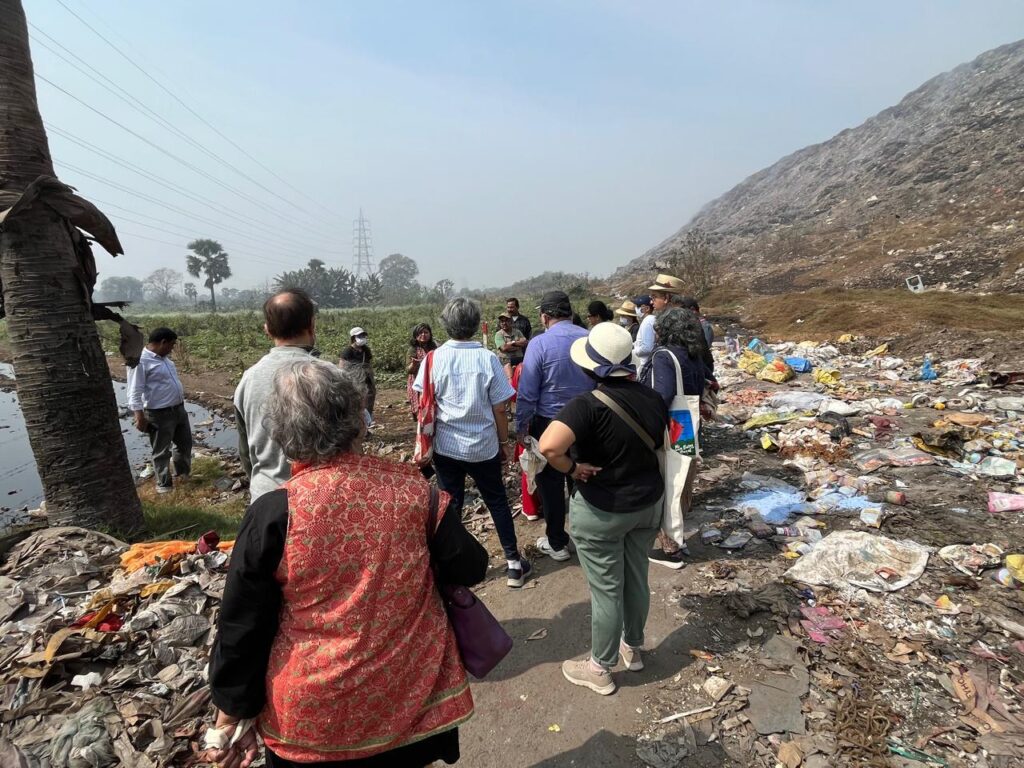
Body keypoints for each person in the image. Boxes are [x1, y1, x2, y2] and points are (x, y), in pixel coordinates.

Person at [205, 361, 488, 768]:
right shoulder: (414, 491)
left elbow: (243, 625)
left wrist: (230, 716)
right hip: (410, 699)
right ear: (357, 420)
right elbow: (472, 567)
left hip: (312, 721)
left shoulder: (275, 513)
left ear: (282, 433)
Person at [538, 322, 667, 696]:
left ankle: (600, 668)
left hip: (603, 511)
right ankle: (633, 648)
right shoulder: (653, 397)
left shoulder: (586, 405)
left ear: (590, 367)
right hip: (647, 504)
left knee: (607, 591)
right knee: (637, 577)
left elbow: (549, 447)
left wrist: (572, 469)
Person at [414, 297, 531, 588]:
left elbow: (423, 401)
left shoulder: (433, 359)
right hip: (483, 446)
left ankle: (452, 571)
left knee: (451, 506)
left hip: (446, 447)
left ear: (445, 324)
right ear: (476, 324)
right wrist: (504, 442)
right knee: (497, 502)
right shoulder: (487, 358)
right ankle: (513, 564)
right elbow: (500, 408)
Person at [515, 290, 594, 562]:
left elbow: (527, 392)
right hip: (586, 421)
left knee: (550, 484)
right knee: (582, 477)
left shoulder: (539, 343)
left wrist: (521, 427)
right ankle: (587, 538)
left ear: (545, 316)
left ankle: (557, 542)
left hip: (549, 424)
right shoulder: (588, 338)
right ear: (570, 312)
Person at [234, 289, 324, 502]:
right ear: (312, 324)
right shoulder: (329, 375)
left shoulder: (249, 379)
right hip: (317, 499)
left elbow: (245, 451)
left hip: (266, 497)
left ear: (267, 329)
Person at [639, 308, 706, 569]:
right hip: (687, 426)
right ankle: (678, 538)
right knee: (681, 481)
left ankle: (671, 548)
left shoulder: (664, 356)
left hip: (671, 427)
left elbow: (663, 396)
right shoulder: (692, 354)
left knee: (667, 483)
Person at [127, 327, 191, 494]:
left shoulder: (165, 360)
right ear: (163, 342)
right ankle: (164, 486)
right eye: (172, 344)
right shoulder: (140, 361)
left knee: (184, 444)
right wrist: (139, 416)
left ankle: (183, 475)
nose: (172, 348)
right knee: (161, 451)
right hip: (159, 414)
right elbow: (134, 390)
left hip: (178, 410)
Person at [339, 327, 376, 420]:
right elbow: (342, 366)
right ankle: (357, 419)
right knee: (356, 398)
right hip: (354, 379)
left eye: (363, 336)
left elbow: (369, 363)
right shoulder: (348, 351)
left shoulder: (366, 350)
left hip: (366, 378)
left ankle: (367, 418)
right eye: (360, 336)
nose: (362, 338)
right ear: (353, 338)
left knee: (369, 397)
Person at [407, 323, 437, 417]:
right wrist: (414, 364)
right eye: (420, 333)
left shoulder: (434, 347)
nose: (423, 335)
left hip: (432, 380)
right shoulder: (412, 349)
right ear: (416, 335)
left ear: (430, 334)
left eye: (426, 332)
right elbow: (408, 370)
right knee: (420, 406)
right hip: (417, 381)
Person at [630, 295, 655, 364]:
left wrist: (633, 352)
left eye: (638, 307)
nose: (636, 309)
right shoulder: (648, 320)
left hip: (644, 362)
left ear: (647, 308)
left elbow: (647, 348)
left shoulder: (648, 321)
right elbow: (641, 341)